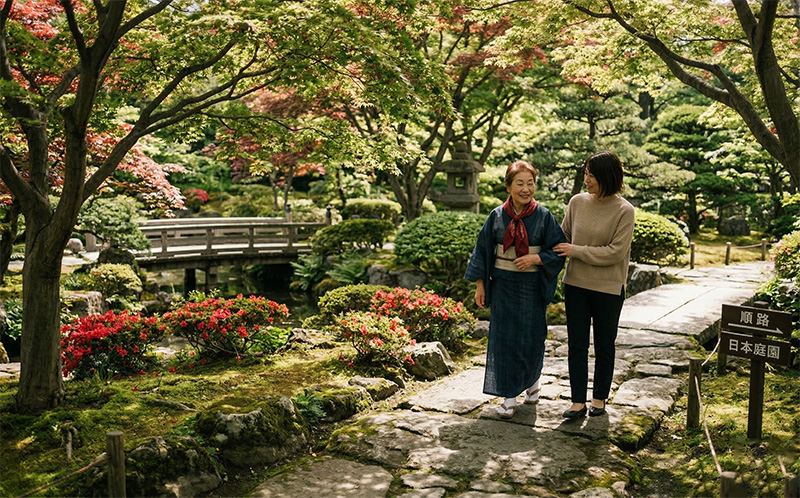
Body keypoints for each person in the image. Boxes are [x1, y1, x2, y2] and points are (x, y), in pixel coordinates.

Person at [465, 160, 566, 419]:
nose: (526, 188)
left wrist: (536, 259)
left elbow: (558, 249)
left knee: (531, 338)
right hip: (503, 287)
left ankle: (532, 381)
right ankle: (509, 395)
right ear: (508, 186)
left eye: (530, 183)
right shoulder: (496, 216)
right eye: (519, 183)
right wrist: (480, 284)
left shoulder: (543, 216)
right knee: (505, 340)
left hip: (532, 286)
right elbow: (483, 251)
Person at [553, 151, 635, 419]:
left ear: (607, 177)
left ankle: (599, 398)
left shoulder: (624, 210)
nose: (586, 179)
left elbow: (615, 252)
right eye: (585, 173)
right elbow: (562, 236)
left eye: (591, 175)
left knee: (604, 345)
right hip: (576, 284)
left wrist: (576, 251)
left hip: (609, 289)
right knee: (577, 343)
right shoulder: (577, 202)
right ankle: (577, 401)